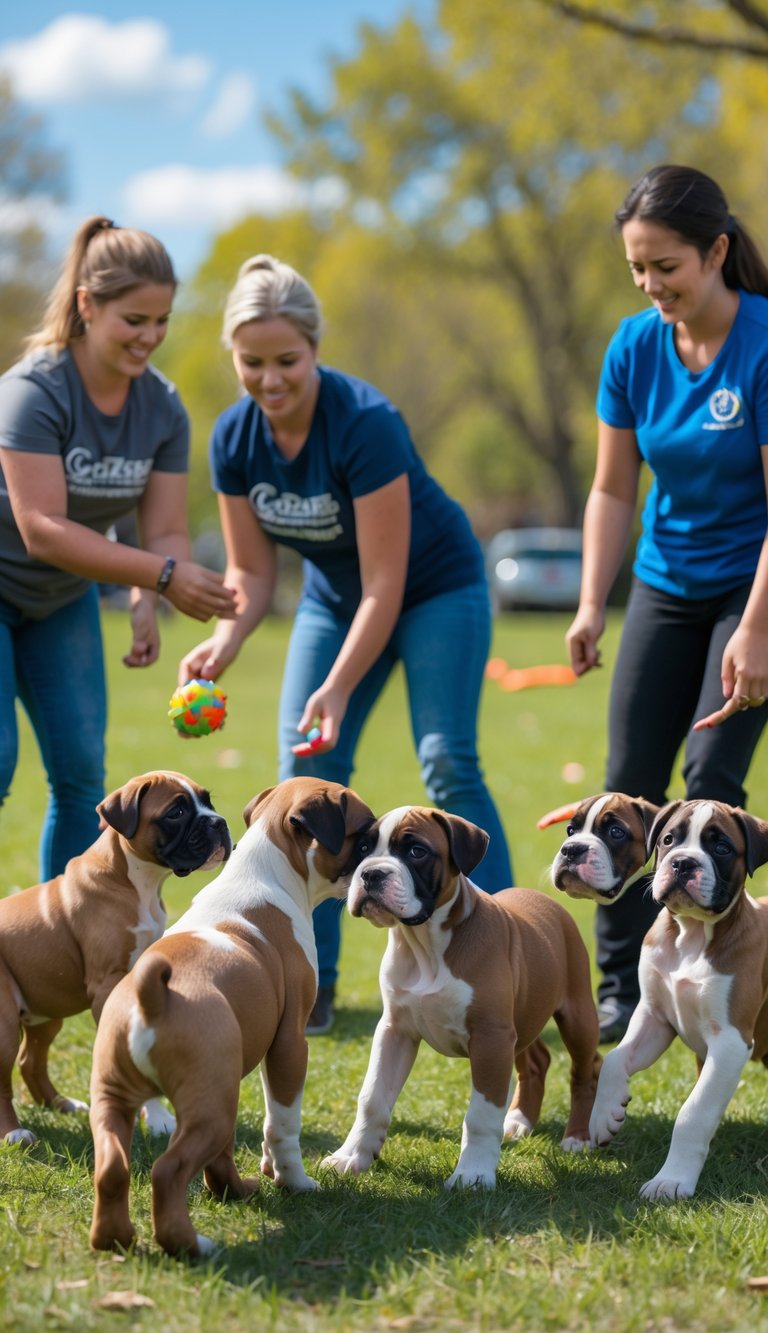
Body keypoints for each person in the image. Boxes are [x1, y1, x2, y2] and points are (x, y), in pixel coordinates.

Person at [178, 253, 514, 1034]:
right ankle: (309, 984)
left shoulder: (364, 423)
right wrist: (223, 642)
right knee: (306, 777)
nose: (270, 379)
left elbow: (385, 586)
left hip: (435, 589)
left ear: (315, 350)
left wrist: (335, 684)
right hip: (336, 599)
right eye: (251, 362)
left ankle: (497, 958)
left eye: (286, 360)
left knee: (447, 760)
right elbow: (252, 573)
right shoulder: (234, 438)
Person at [566, 164, 768, 1044]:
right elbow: (613, 489)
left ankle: (720, 986)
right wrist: (589, 603)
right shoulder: (634, 346)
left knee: (711, 779)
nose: (652, 287)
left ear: (717, 252)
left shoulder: (763, 341)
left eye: (668, 268)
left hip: (752, 583)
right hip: (663, 580)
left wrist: (758, 628)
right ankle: (627, 987)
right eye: (638, 270)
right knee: (626, 790)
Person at [0, 215, 237, 880]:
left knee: (81, 776)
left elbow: (161, 528)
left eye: (161, 320)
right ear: (87, 305)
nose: (150, 337)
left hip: (58, 599)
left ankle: (63, 950)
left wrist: (144, 598)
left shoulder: (161, 407)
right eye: (134, 319)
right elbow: (41, 527)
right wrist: (162, 575)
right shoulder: (32, 393)